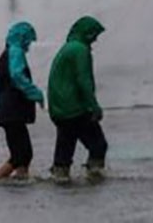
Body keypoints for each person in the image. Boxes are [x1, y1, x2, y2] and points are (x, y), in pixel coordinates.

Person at [47, 15, 108, 183]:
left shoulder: (68, 47)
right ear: (87, 33)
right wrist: (94, 107)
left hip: (59, 109)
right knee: (98, 145)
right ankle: (95, 177)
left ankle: (60, 178)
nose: (95, 39)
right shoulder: (80, 50)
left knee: (65, 149)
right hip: (75, 108)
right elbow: (84, 80)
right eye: (94, 35)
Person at [0, 20, 45, 180]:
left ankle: (22, 181)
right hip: (12, 111)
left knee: (23, 154)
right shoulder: (15, 52)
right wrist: (36, 94)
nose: (29, 44)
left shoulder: (6, 53)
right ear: (22, 37)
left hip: (7, 111)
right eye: (28, 39)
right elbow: (17, 75)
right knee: (21, 154)